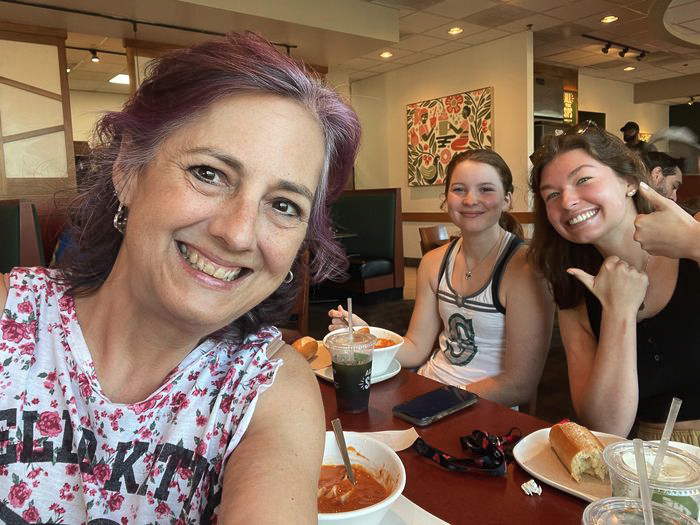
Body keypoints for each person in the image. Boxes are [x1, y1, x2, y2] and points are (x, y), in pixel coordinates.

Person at [0, 32, 360, 523]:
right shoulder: (10, 319)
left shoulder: (270, 391)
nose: (237, 234)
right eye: (209, 174)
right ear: (128, 169)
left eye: (282, 205)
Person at [329, 150, 554, 409]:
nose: (470, 200)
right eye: (459, 189)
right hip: (427, 387)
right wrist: (365, 334)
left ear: (507, 200)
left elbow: (518, 385)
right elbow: (416, 348)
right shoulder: (433, 263)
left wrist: (439, 401)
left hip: (484, 407)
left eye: (485, 189)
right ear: (446, 198)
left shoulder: (526, 270)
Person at [528, 120, 700, 441]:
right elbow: (605, 426)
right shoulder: (575, 292)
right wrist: (618, 312)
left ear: (630, 181)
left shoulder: (695, 231)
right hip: (652, 464)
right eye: (551, 194)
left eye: (583, 179)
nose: (567, 201)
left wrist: (694, 243)